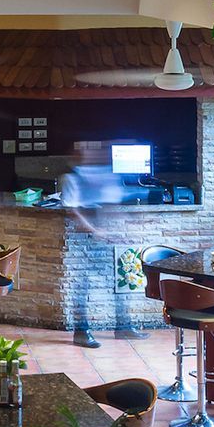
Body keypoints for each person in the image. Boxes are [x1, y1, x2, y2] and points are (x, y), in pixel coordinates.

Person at [58, 142, 134, 348]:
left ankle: (124, 326)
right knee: (82, 287)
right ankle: (81, 332)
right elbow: (72, 212)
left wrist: (118, 230)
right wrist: (95, 230)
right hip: (82, 242)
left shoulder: (103, 175)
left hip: (103, 239)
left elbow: (110, 204)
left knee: (119, 281)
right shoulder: (70, 178)